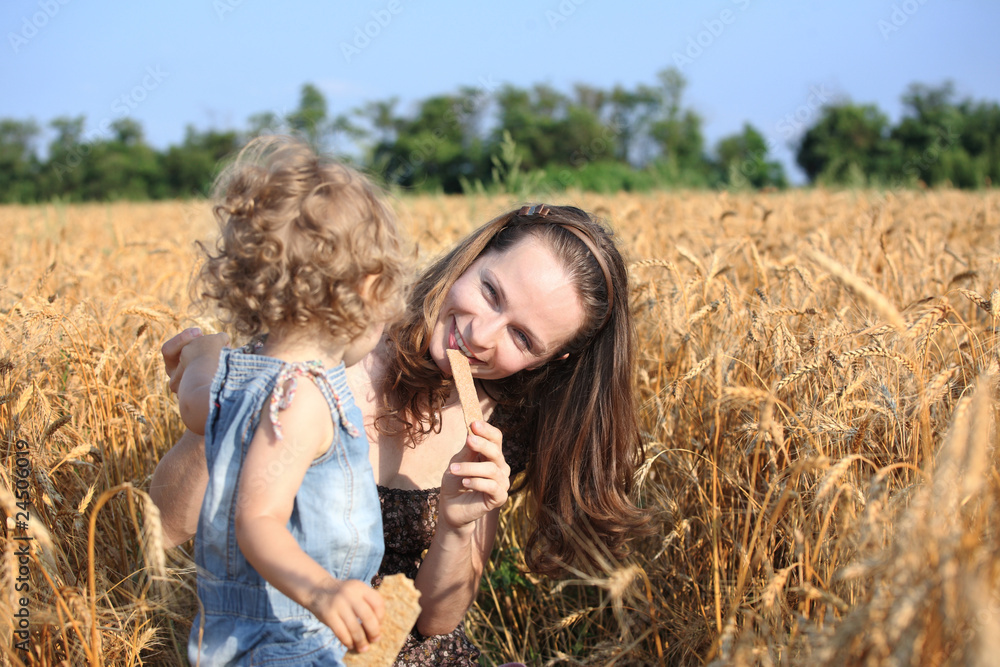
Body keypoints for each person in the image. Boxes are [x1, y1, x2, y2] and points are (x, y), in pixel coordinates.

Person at [154, 202, 649, 665]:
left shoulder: (497, 426)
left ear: (550, 359)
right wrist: (239, 396)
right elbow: (166, 526)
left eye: (522, 337)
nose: (480, 335)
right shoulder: (328, 338)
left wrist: (457, 522)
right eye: (490, 293)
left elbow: (436, 621)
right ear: (472, 257)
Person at [171, 135, 410, 665]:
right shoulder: (302, 397)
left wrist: (198, 353)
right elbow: (258, 521)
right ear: (370, 291)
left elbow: (192, 404)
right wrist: (324, 592)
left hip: (229, 628)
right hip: (291, 635)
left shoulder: (230, 373)